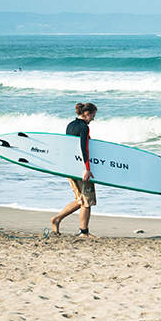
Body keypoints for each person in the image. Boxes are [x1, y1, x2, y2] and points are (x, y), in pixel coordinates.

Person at [51, 102, 98, 238]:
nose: (93, 119)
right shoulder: (84, 127)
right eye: (93, 116)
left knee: (80, 199)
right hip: (80, 169)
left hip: (70, 167)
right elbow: (84, 148)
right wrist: (87, 169)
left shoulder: (70, 125)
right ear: (87, 113)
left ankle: (57, 219)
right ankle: (84, 232)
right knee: (87, 200)